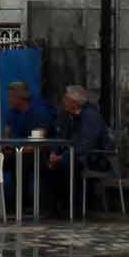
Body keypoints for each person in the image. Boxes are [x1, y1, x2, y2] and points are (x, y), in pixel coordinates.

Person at [51, 85, 115, 215]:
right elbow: (60, 136)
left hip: (97, 158)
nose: (63, 101)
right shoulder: (67, 116)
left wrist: (62, 157)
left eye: (66, 99)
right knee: (48, 164)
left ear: (74, 102)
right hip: (76, 155)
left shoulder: (91, 117)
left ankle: (74, 207)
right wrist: (54, 153)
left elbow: (86, 144)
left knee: (67, 163)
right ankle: (54, 206)